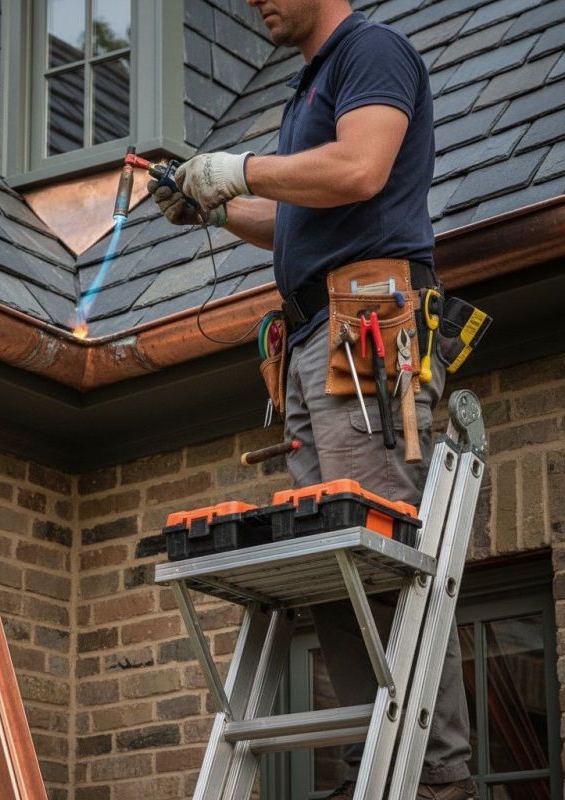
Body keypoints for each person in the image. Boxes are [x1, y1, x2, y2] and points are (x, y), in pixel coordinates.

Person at [150, 2, 477, 798]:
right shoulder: (309, 89)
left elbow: (360, 170)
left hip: (367, 313)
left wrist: (242, 167)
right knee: (336, 554)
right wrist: (216, 204)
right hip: (309, 336)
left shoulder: (372, 51)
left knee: (381, 538)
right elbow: (296, 211)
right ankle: (382, 758)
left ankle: (436, 779)